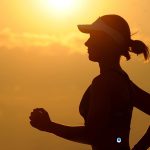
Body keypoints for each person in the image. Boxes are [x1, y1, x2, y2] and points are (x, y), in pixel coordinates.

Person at [29, 14, 150, 150]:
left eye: (93, 37)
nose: (87, 43)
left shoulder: (103, 83)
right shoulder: (123, 80)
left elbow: (93, 135)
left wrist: (49, 126)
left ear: (107, 42)